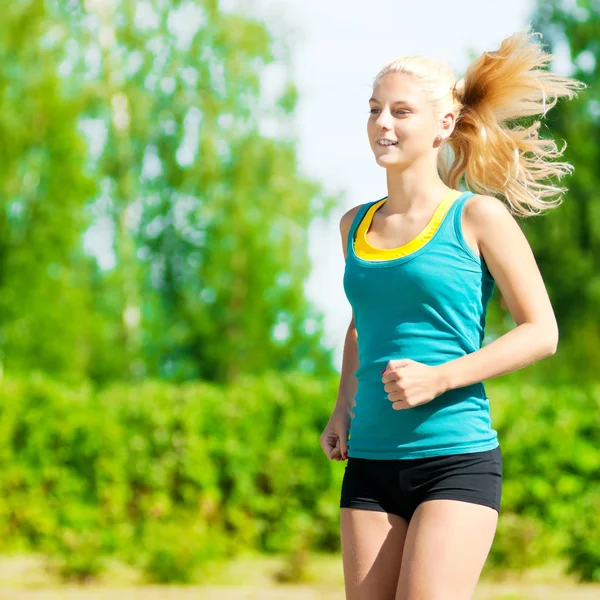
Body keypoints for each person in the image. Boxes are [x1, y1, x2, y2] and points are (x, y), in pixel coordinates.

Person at [319, 26, 586, 600]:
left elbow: (542, 332)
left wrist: (440, 377)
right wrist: (341, 409)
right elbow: (361, 324)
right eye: (374, 110)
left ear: (443, 125)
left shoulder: (478, 218)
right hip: (368, 461)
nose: (382, 123)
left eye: (400, 111)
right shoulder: (354, 225)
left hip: (455, 459)